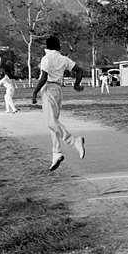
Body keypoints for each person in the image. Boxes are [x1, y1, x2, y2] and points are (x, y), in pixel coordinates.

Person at [32, 36, 86, 171]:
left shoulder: (46, 58)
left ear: (47, 46)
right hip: (58, 91)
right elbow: (79, 70)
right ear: (58, 46)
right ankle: (56, 153)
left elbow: (44, 77)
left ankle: (73, 140)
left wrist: (35, 92)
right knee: (54, 123)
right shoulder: (63, 59)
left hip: (48, 89)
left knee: (51, 122)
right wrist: (76, 84)